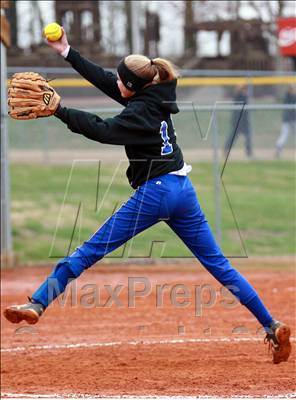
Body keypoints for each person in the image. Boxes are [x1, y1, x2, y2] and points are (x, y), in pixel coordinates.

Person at [4, 29, 291, 364]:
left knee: (89, 251)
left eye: (122, 82)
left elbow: (103, 130)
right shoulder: (154, 95)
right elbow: (109, 81)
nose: (116, 84)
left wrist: (61, 111)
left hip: (156, 193)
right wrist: (67, 51)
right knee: (219, 265)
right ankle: (271, 324)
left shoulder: (138, 113)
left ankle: (38, 302)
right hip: (182, 189)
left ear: (132, 88)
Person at [224, 84, 253, 159]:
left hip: (244, 122)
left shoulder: (245, 97)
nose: (245, 91)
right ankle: (226, 150)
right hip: (237, 121)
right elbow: (236, 92)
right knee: (232, 138)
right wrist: (240, 88)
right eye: (244, 90)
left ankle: (249, 152)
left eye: (246, 90)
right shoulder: (238, 96)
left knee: (248, 137)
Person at [275, 85, 296, 159]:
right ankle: (279, 147)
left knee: (284, 134)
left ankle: (279, 146)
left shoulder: (287, 96)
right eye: (292, 89)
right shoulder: (291, 97)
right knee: (285, 134)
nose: (293, 91)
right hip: (291, 119)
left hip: (288, 119)